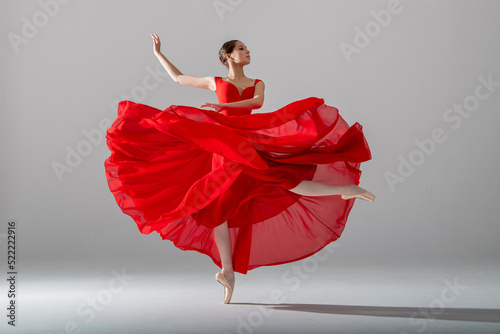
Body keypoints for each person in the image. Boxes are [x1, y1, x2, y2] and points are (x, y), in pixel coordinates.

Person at [104, 33, 375, 305]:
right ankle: (228, 271)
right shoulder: (216, 81)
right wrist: (158, 54)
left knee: (281, 177)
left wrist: (223, 106)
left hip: (245, 140)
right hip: (223, 146)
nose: (247, 52)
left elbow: (257, 104)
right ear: (229, 56)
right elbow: (179, 78)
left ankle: (344, 189)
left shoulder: (257, 82)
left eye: (247, 49)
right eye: (242, 49)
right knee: (220, 207)